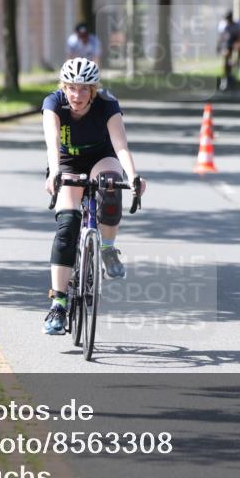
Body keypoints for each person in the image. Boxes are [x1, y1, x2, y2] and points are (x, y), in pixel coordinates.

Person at [41, 57, 146, 335]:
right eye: (72, 88)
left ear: (94, 90)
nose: (77, 95)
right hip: (67, 162)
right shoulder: (53, 104)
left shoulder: (107, 105)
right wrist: (54, 173)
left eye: (84, 89)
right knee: (67, 225)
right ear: (64, 87)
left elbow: (121, 146)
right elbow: (52, 142)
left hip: (102, 158)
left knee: (111, 186)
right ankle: (59, 304)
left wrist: (133, 176)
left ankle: (108, 249)